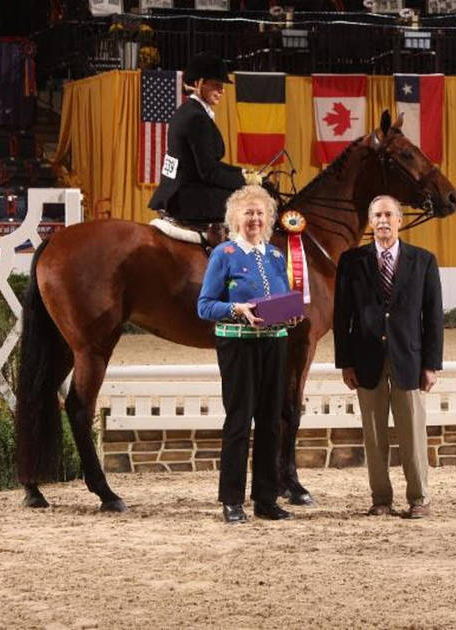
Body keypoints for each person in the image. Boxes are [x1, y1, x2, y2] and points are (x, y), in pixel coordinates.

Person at [333, 195, 444, 519]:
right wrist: (346, 363)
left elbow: (433, 317)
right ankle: (380, 499)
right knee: (374, 436)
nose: (382, 221)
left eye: (388, 215)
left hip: (409, 360)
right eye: (377, 216)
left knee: (413, 434)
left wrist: (431, 364)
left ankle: (419, 499)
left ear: (399, 220)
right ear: (371, 222)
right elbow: (343, 318)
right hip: (366, 362)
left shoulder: (423, 261)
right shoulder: (352, 262)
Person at [197, 185, 295, 524]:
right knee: (239, 421)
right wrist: (236, 308)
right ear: (235, 217)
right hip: (237, 345)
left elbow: (282, 300)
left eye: (259, 213)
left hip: (274, 343)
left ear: (268, 219)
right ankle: (231, 500)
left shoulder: (277, 256)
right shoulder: (223, 254)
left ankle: (266, 499)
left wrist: (291, 314)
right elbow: (204, 306)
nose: (254, 218)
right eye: (248, 212)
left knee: (270, 423)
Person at [148, 51, 262, 226]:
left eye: (222, 86)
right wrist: (245, 182)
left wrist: (242, 173)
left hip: (180, 190)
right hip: (186, 197)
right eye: (216, 85)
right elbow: (208, 172)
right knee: (254, 203)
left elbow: (208, 163)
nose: (222, 91)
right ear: (198, 84)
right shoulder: (196, 118)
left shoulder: (188, 110)